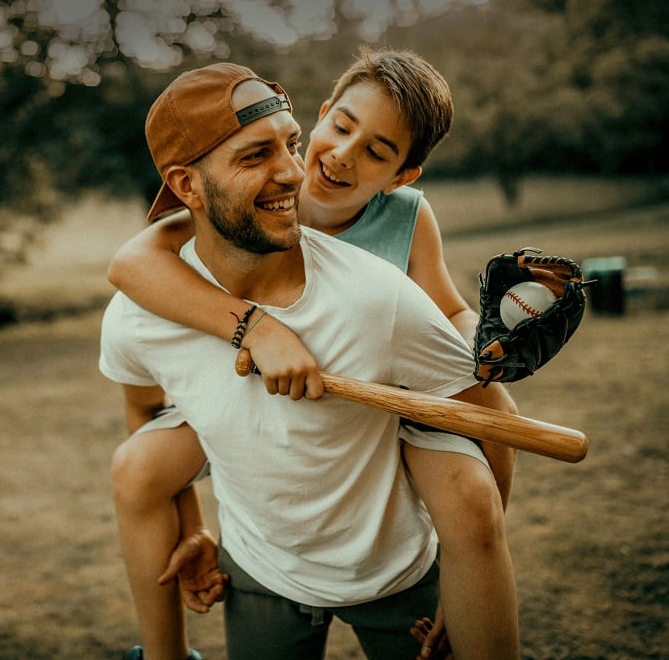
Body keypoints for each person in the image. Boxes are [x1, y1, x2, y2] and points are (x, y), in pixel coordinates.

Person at [108, 48, 519, 660]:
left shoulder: (396, 243)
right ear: (327, 112)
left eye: (377, 152)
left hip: (396, 394)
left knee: (466, 490)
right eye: (341, 128)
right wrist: (256, 328)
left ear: (403, 175)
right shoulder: (239, 217)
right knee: (137, 464)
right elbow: (134, 262)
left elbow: (451, 317)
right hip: (253, 403)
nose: (320, 165)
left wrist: (476, 349)